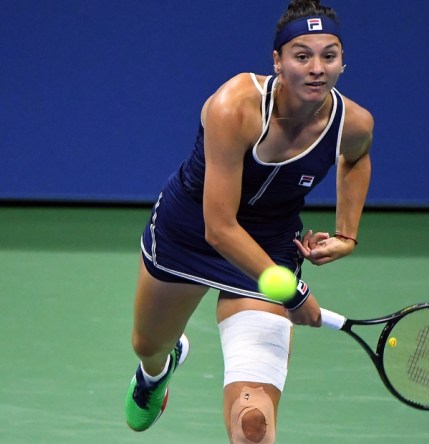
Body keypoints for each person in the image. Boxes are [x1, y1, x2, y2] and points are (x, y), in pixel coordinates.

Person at [123, 0, 373, 442]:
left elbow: (356, 160)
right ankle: (155, 373)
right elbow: (218, 228)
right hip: (192, 232)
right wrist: (291, 291)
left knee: (252, 424)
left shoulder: (352, 123)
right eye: (302, 56)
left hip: (269, 242)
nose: (317, 68)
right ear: (277, 61)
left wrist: (346, 234)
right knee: (149, 345)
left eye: (329, 56)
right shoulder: (233, 107)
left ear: (342, 62)